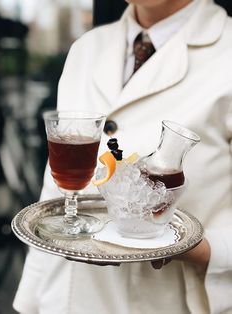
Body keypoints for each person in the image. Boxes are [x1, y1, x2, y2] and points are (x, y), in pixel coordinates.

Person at [13, 0, 232, 313]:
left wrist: (202, 250)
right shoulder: (86, 49)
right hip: (61, 297)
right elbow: (55, 190)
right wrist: (29, 302)